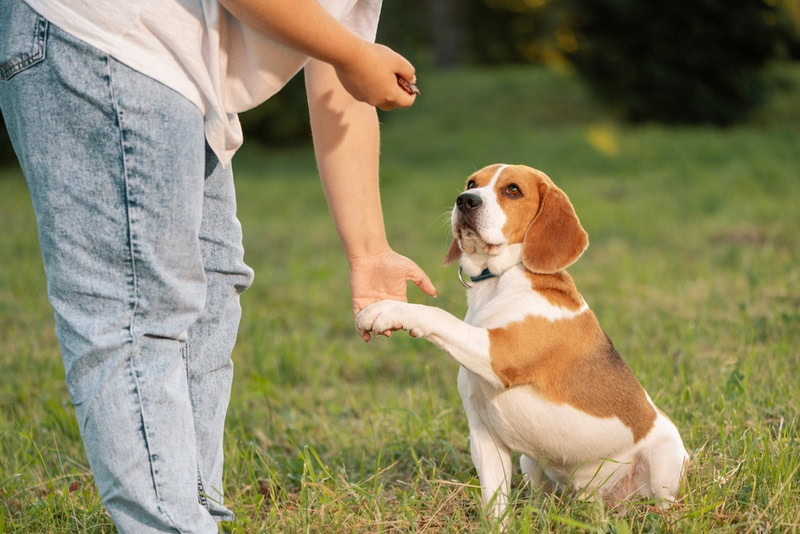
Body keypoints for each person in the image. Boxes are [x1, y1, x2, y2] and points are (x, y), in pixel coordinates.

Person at [0, 0, 437, 531]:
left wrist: (369, 252)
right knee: (137, 310)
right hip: (103, 34)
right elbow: (344, 54)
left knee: (210, 287)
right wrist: (351, 53)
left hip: (179, 68)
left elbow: (340, 79)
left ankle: (193, 506)